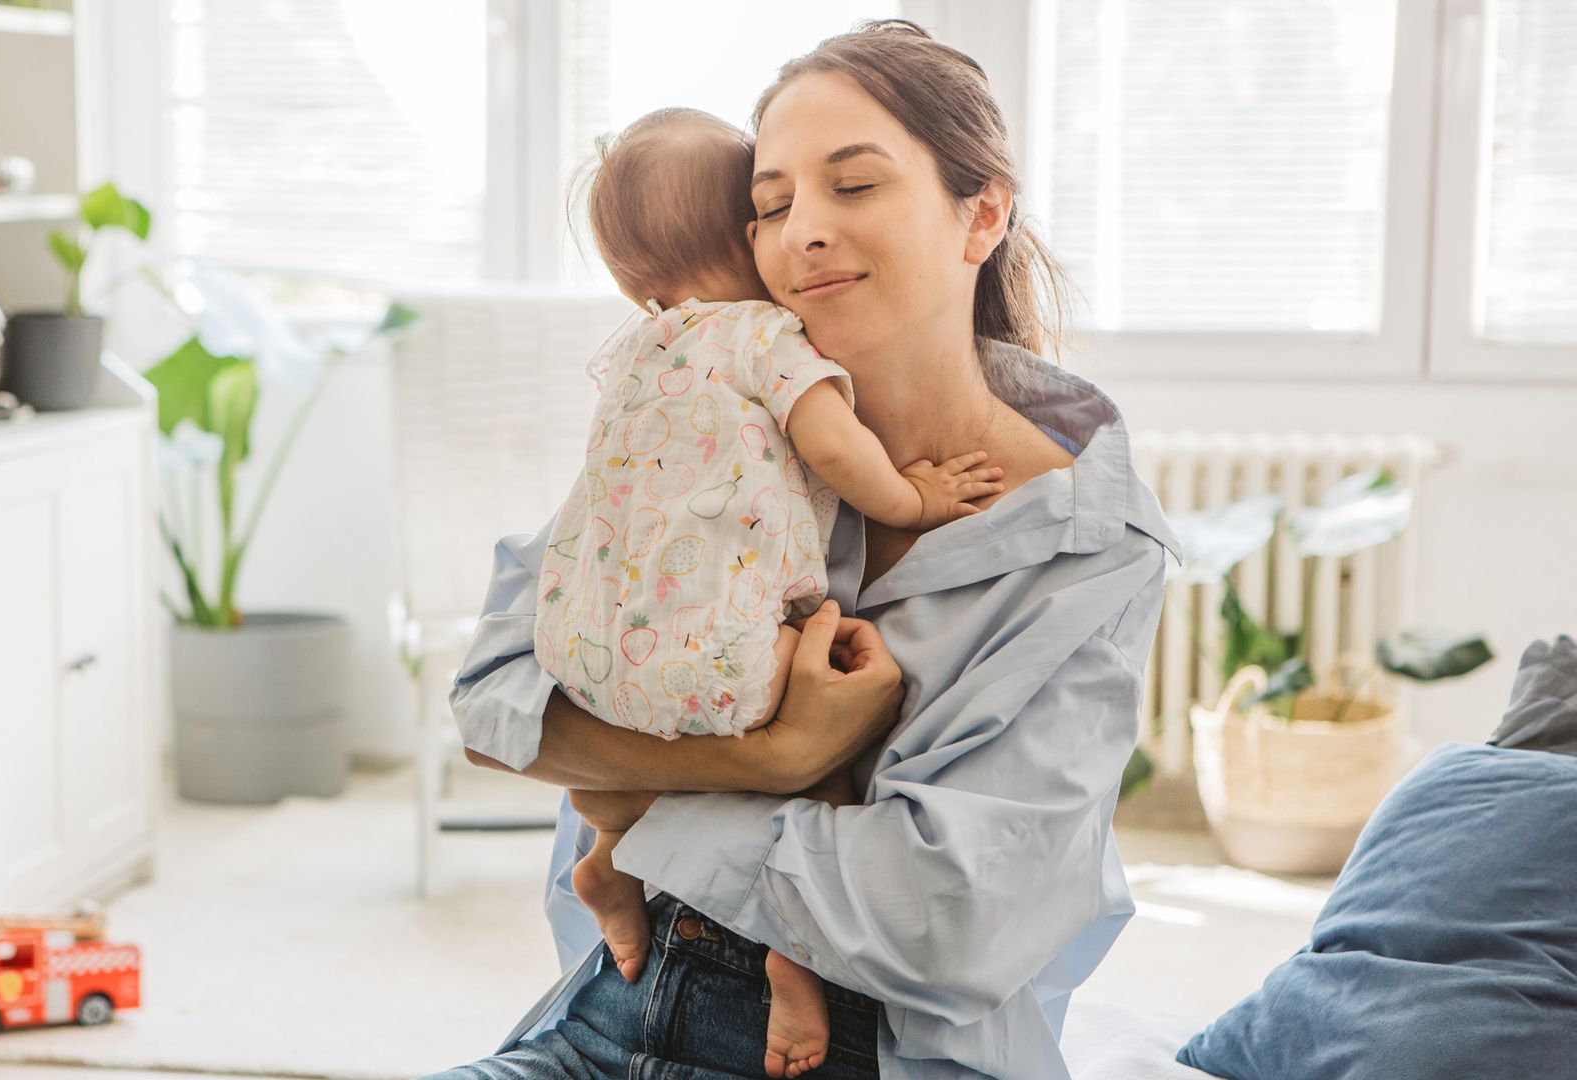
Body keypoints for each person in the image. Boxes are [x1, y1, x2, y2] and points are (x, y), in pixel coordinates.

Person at [427, 19, 1183, 1080]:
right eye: (774, 205)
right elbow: (495, 704)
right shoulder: (705, 425)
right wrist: (772, 759)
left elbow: (947, 919)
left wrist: (645, 796)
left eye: (854, 187)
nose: (803, 234)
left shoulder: (1084, 549)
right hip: (604, 1021)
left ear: (983, 213)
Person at [543, 105, 1007, 1077]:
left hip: (591, 650)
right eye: (770, 206)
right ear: (743, 239)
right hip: (725, 647)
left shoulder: (634, 351)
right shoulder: (766, 339)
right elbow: (838, 451)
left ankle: (605, 856)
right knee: (825, 768)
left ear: (634, 279)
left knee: (620, 765)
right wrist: (915, 496)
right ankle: (794, 959)